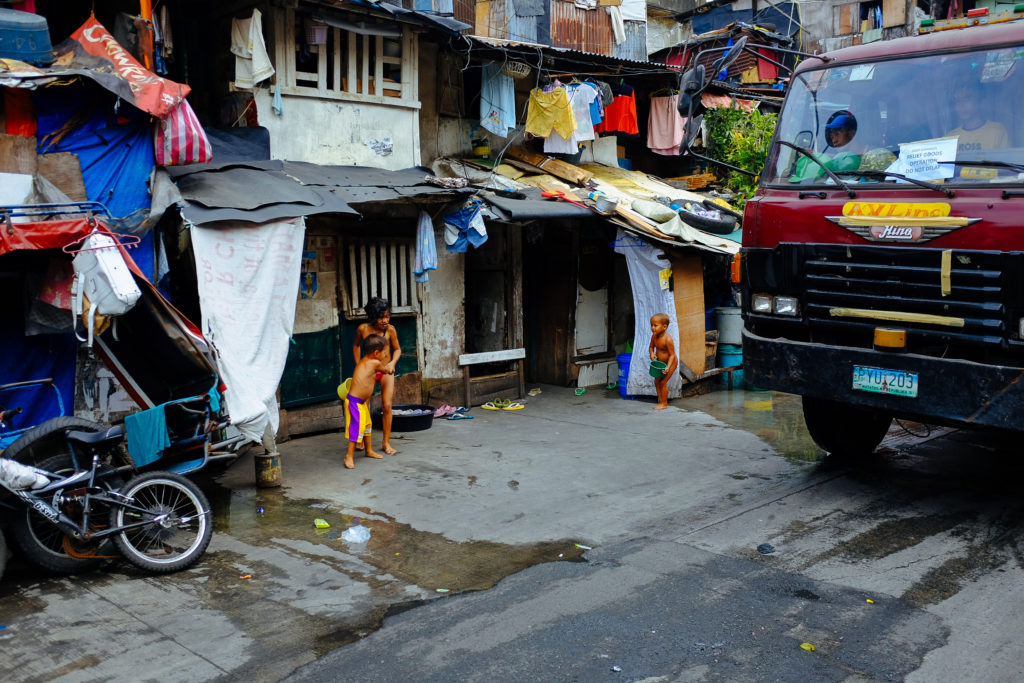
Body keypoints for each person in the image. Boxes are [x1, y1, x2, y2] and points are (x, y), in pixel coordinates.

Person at [353, 297, 402, 455]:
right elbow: (355, 346)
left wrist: (392, 363)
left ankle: (386, 442)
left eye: (387, 316)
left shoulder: (391, 330)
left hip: (386, 371)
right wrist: (359, 365)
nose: (385, 320)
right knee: (363, 406)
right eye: (381, 317)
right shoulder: (363, 329)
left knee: (387, 406)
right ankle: (360, 439)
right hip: (369, 374)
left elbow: (397, 349)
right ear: (373, 316)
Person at [343, 334, 393, 469]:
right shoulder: (375, 363)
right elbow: (386, 370)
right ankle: (349, 455)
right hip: (354, 403)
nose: (385, 356)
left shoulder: (364, 360)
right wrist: (390, 367)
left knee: (367, 425)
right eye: (384, 353)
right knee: (356, 427)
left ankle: (369, 450)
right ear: (376, 353)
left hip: (360, 402)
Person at [790, 110, 862, 182]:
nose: (834, 141)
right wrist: (815, 156)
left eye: (837, 134)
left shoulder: (868, 159)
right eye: (832, 137)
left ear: (852, 133)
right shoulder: (841, 159)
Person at [946, 81, 1009, 156]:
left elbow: (1006, 163)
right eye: (957, 101)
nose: (961, 105)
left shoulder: (997, 130)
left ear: (980, 101)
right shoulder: (951, 137)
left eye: (966, 99)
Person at [648, 313, 678, 411]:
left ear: (664, 327)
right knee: (656, 381)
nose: (653, 328)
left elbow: (672, 355)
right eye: (651, 325)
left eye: (655, 325)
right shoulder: (654, 336)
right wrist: (652, 354)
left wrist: (668, 367)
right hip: (660, 364)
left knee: (662, 382)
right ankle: (661, 400)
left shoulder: (667, 339)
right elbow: (651, 347)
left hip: (671, 363)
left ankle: (664, 404)